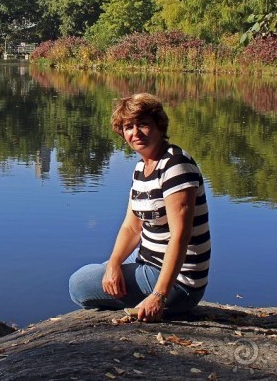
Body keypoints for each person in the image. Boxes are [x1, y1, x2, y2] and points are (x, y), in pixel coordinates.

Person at [69, 93, 210, 322]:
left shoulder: (175, 165)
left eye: (143, 124)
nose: (135, 133)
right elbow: (132, 227)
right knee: (106, 271)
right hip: (149, 259)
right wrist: (114, 264)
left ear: (159, 126)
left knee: (79, 284)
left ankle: (156, 299)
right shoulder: (141, 168)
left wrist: (158, 295)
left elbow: (180, 236)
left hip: (180, 282)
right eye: (128, 127)